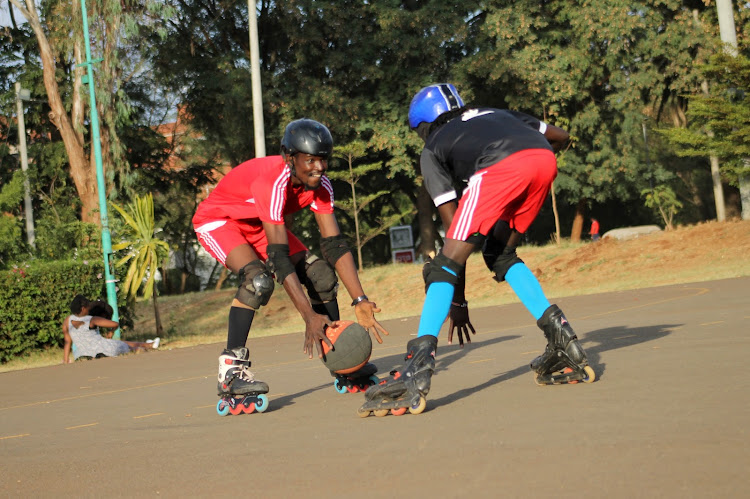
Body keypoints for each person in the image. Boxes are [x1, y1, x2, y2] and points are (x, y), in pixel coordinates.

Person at [359, 84, 595, 417]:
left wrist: (458, 302)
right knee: (501, 255)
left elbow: (454, 239)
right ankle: (562, 339)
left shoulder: (432, 150)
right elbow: (561, 135)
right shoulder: (497, 113)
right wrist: (530, 163)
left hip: (500, 169)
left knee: (440, 267)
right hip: (542, 160)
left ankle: (416, 368)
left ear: (424, 126)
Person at [192, 118, 389, 405]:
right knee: (257, 281)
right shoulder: (273, 182)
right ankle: (231, 371)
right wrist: (308, 316)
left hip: (260, 224)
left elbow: (334, 245)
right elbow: (279, 259)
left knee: (321, 275)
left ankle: (339, 351)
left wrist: (360, 299)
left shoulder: (321, 186)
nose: (318, 167)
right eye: (310, 160)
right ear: (290, 157)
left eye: (323, 160)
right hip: (220, 222)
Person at [62, 295, 159, 364]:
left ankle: (148, 344)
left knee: (122, 343)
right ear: (83, 308)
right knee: (125, 345)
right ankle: (145, 347)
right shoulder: (92, 319)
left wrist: (66, 360)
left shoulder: (67, 321)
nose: (89, 309)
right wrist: (111, 332)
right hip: (104, 349)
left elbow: (67, 342)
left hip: (81, 354)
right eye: (88, 307)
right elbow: (115, 324)